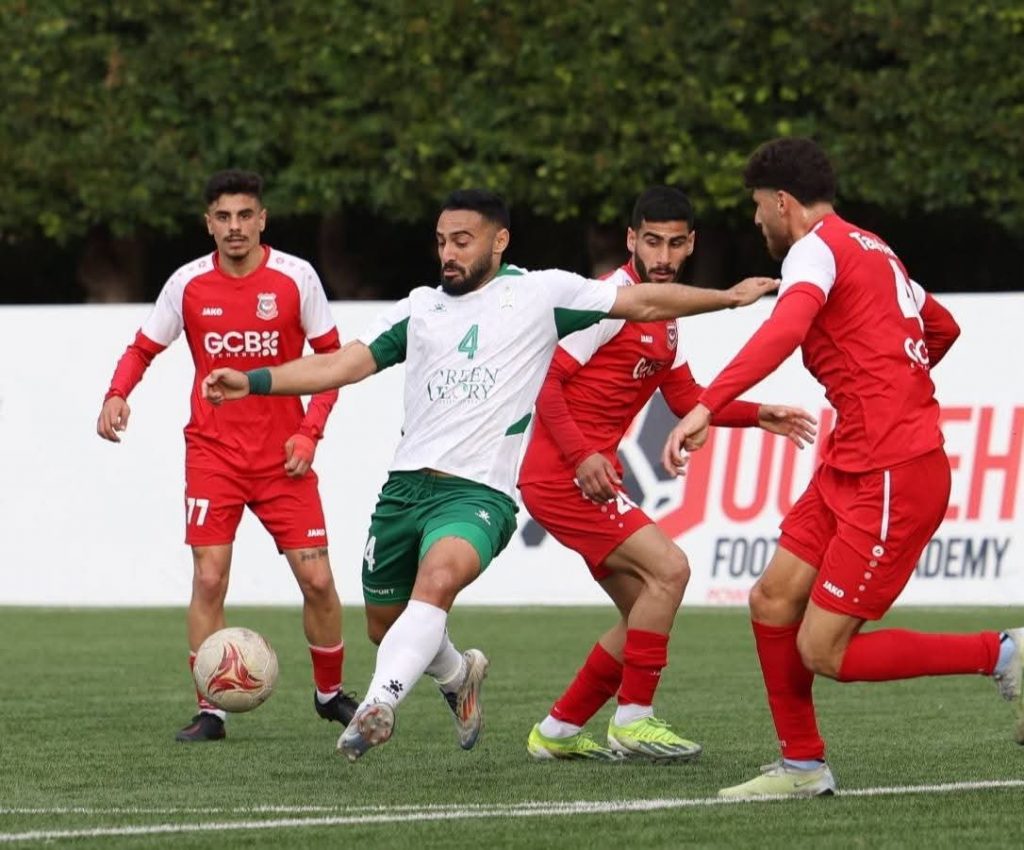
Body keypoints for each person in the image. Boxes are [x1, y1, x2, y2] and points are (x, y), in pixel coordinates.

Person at [201, 188, 779, 762]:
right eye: (441, 242)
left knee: (440, 579)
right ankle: (460, 675)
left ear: (499, 241)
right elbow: (340, 365)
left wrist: (729, 299)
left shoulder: (540, 294)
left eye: (462, 241)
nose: (448, 254)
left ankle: (379, 705)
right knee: (386, 627)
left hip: (479, 494)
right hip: (405, 490)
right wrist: (253, 380)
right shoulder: (419, 308)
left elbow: (645, 303)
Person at [661, 138, 1024, 797]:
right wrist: (887, 384)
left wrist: (707, 406)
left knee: (822, 650)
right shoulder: (873, 247)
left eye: (757, 207)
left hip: (891, 471)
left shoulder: (813, 248)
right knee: (772, 599)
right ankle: (802, 767)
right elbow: (941, 327)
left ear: (782, 202)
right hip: (853, 462)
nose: (755, 220)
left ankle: (1004, 653)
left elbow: (784, 330)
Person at [519, 186, 817, 762]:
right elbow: (546, 383)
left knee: (642, 613)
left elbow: (685, 398)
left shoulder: (667, 315)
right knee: (672, 568)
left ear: (691, 245)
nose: (663, 255)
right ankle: (634, 718)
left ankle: (557, 730)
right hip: (564, 477)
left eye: (675, 244)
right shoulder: (608, 300)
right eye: (652, 241)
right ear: (631, 240)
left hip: (582, 477)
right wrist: (582, 456)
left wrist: (758, 414)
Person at [96, 170, 357, 742]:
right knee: (209, 578)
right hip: (213, 455)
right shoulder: (187, 284)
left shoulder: (296, 278)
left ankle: (330, 695)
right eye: (223, 217)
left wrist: (309, 433)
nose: (235, 226)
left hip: (285, 458)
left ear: (262, 219)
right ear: (208, 224)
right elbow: (142, 348)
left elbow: (333, 364)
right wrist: (117, 393)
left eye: (244, 215)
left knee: (317, 579)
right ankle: (211, 711)